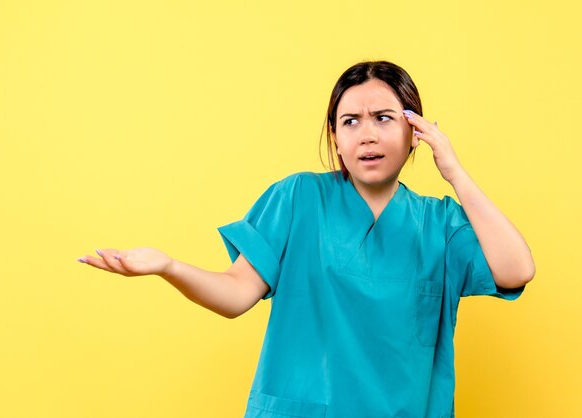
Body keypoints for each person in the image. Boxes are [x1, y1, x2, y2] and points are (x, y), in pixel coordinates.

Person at [77, 61, 535, 418]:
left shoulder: (440, 224)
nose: (367, 134)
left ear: (415, 133)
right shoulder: (298, 198)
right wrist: (168, 267)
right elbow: (236, 293)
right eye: (350, 121)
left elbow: (518, 269)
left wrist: (454, 171)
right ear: (335, 138)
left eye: (383, 118)